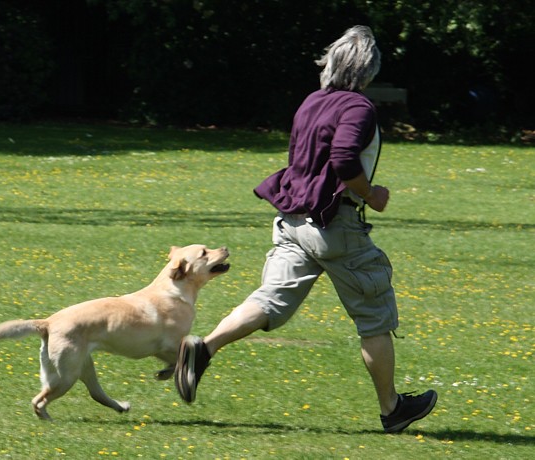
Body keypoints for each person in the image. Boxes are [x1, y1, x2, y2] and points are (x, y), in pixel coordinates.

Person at [174, 25, 437, 434]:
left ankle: (203, 349)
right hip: (336, 226)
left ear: (331, 63)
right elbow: (346, 158)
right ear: (368, 69)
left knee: (271, 299)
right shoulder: (358, 107)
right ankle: (392, 409)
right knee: (374, 317)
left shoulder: (312, 102)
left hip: (292, 221)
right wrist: (371, 195)